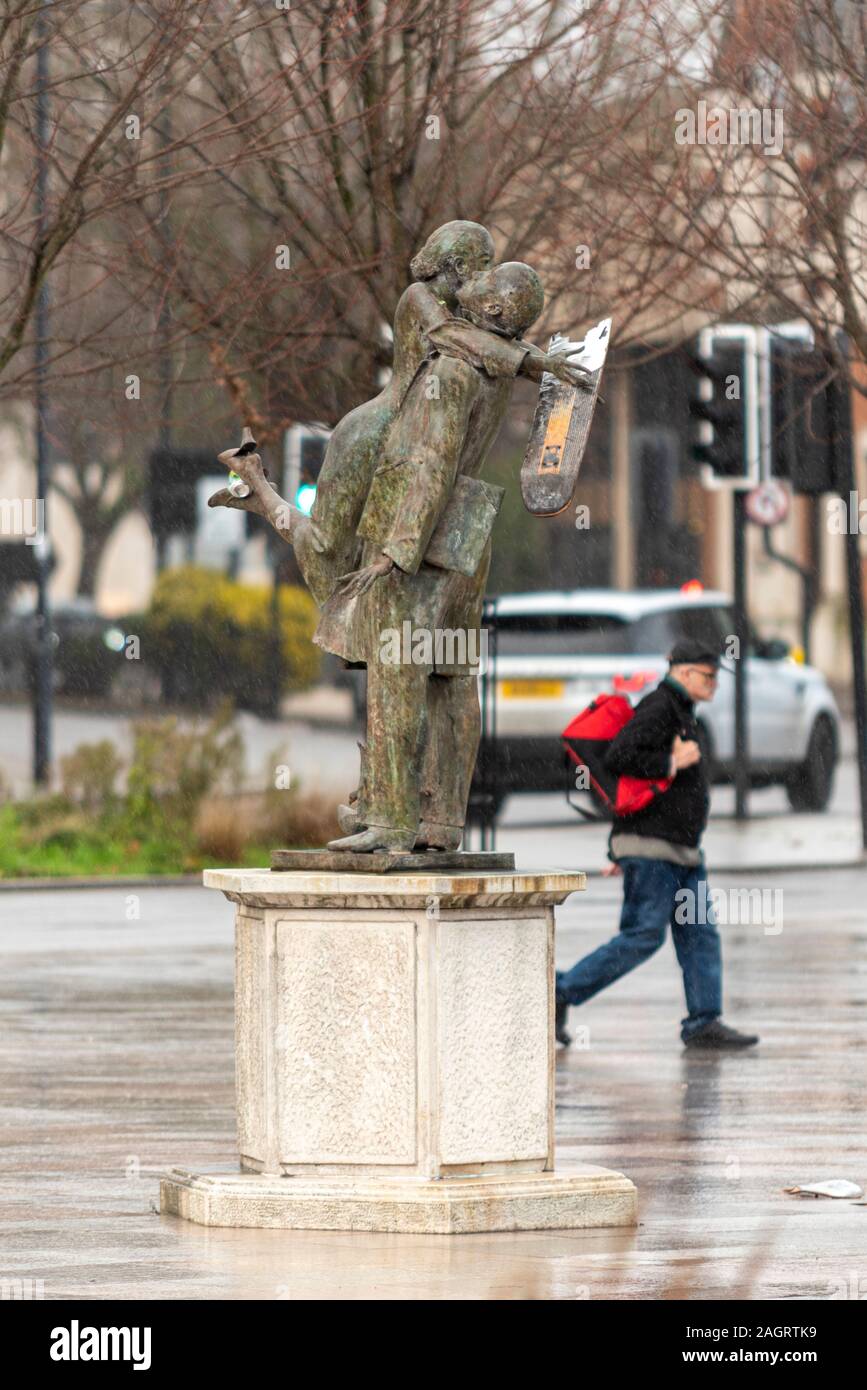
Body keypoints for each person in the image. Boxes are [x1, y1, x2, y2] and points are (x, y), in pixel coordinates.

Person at [556, 639, 760, 1050]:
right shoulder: (659, 707)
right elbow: (620, 757)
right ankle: (560, 991)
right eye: (708, 676)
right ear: (684, 673)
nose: (715, 683)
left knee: (699, 933)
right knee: (642, 936)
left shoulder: (682, 711)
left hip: (681, 851)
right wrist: (670, 763)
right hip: (653, 851)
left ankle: (704, 1020)